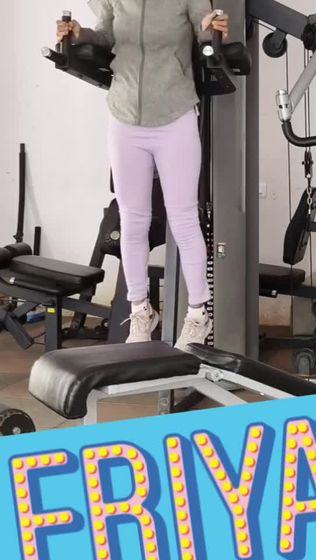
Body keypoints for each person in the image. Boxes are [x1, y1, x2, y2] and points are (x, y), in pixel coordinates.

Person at [56, 1, 229, 351]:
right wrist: (79, 34)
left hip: (175, 114)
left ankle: (198, 315)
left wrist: (212, 27)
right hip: (124, 116)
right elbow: (105, 35)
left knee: (184, 220)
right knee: (132, 221)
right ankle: (140, 312)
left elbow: (204, 29)